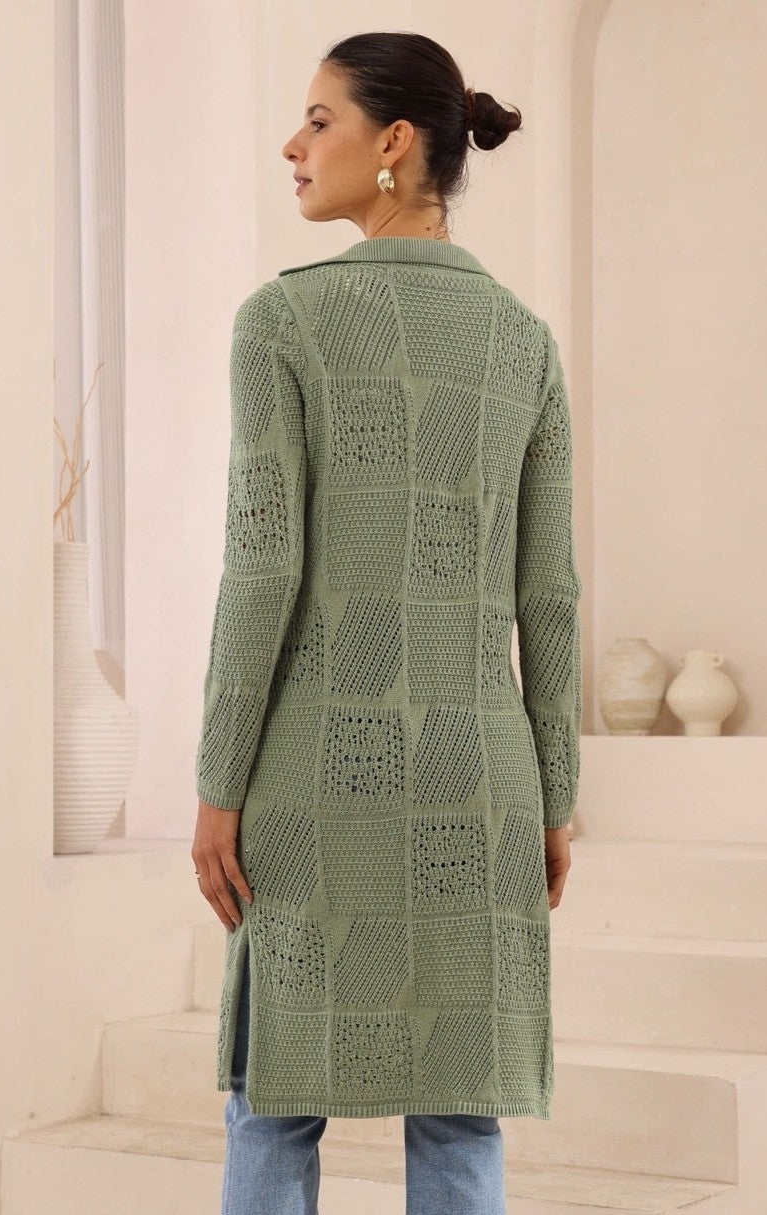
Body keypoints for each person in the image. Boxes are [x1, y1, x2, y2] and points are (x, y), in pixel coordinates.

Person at [190, 29, 581, 1215]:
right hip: (481, 777)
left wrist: (217, 786)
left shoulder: (283, 322)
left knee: (273, 1103)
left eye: (320, 120)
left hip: (314, 776)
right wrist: (555, 796)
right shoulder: (526, 344)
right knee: (461, 1113)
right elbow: (550, 595)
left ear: (394, 142)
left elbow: (262, 573)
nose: (293, 145)